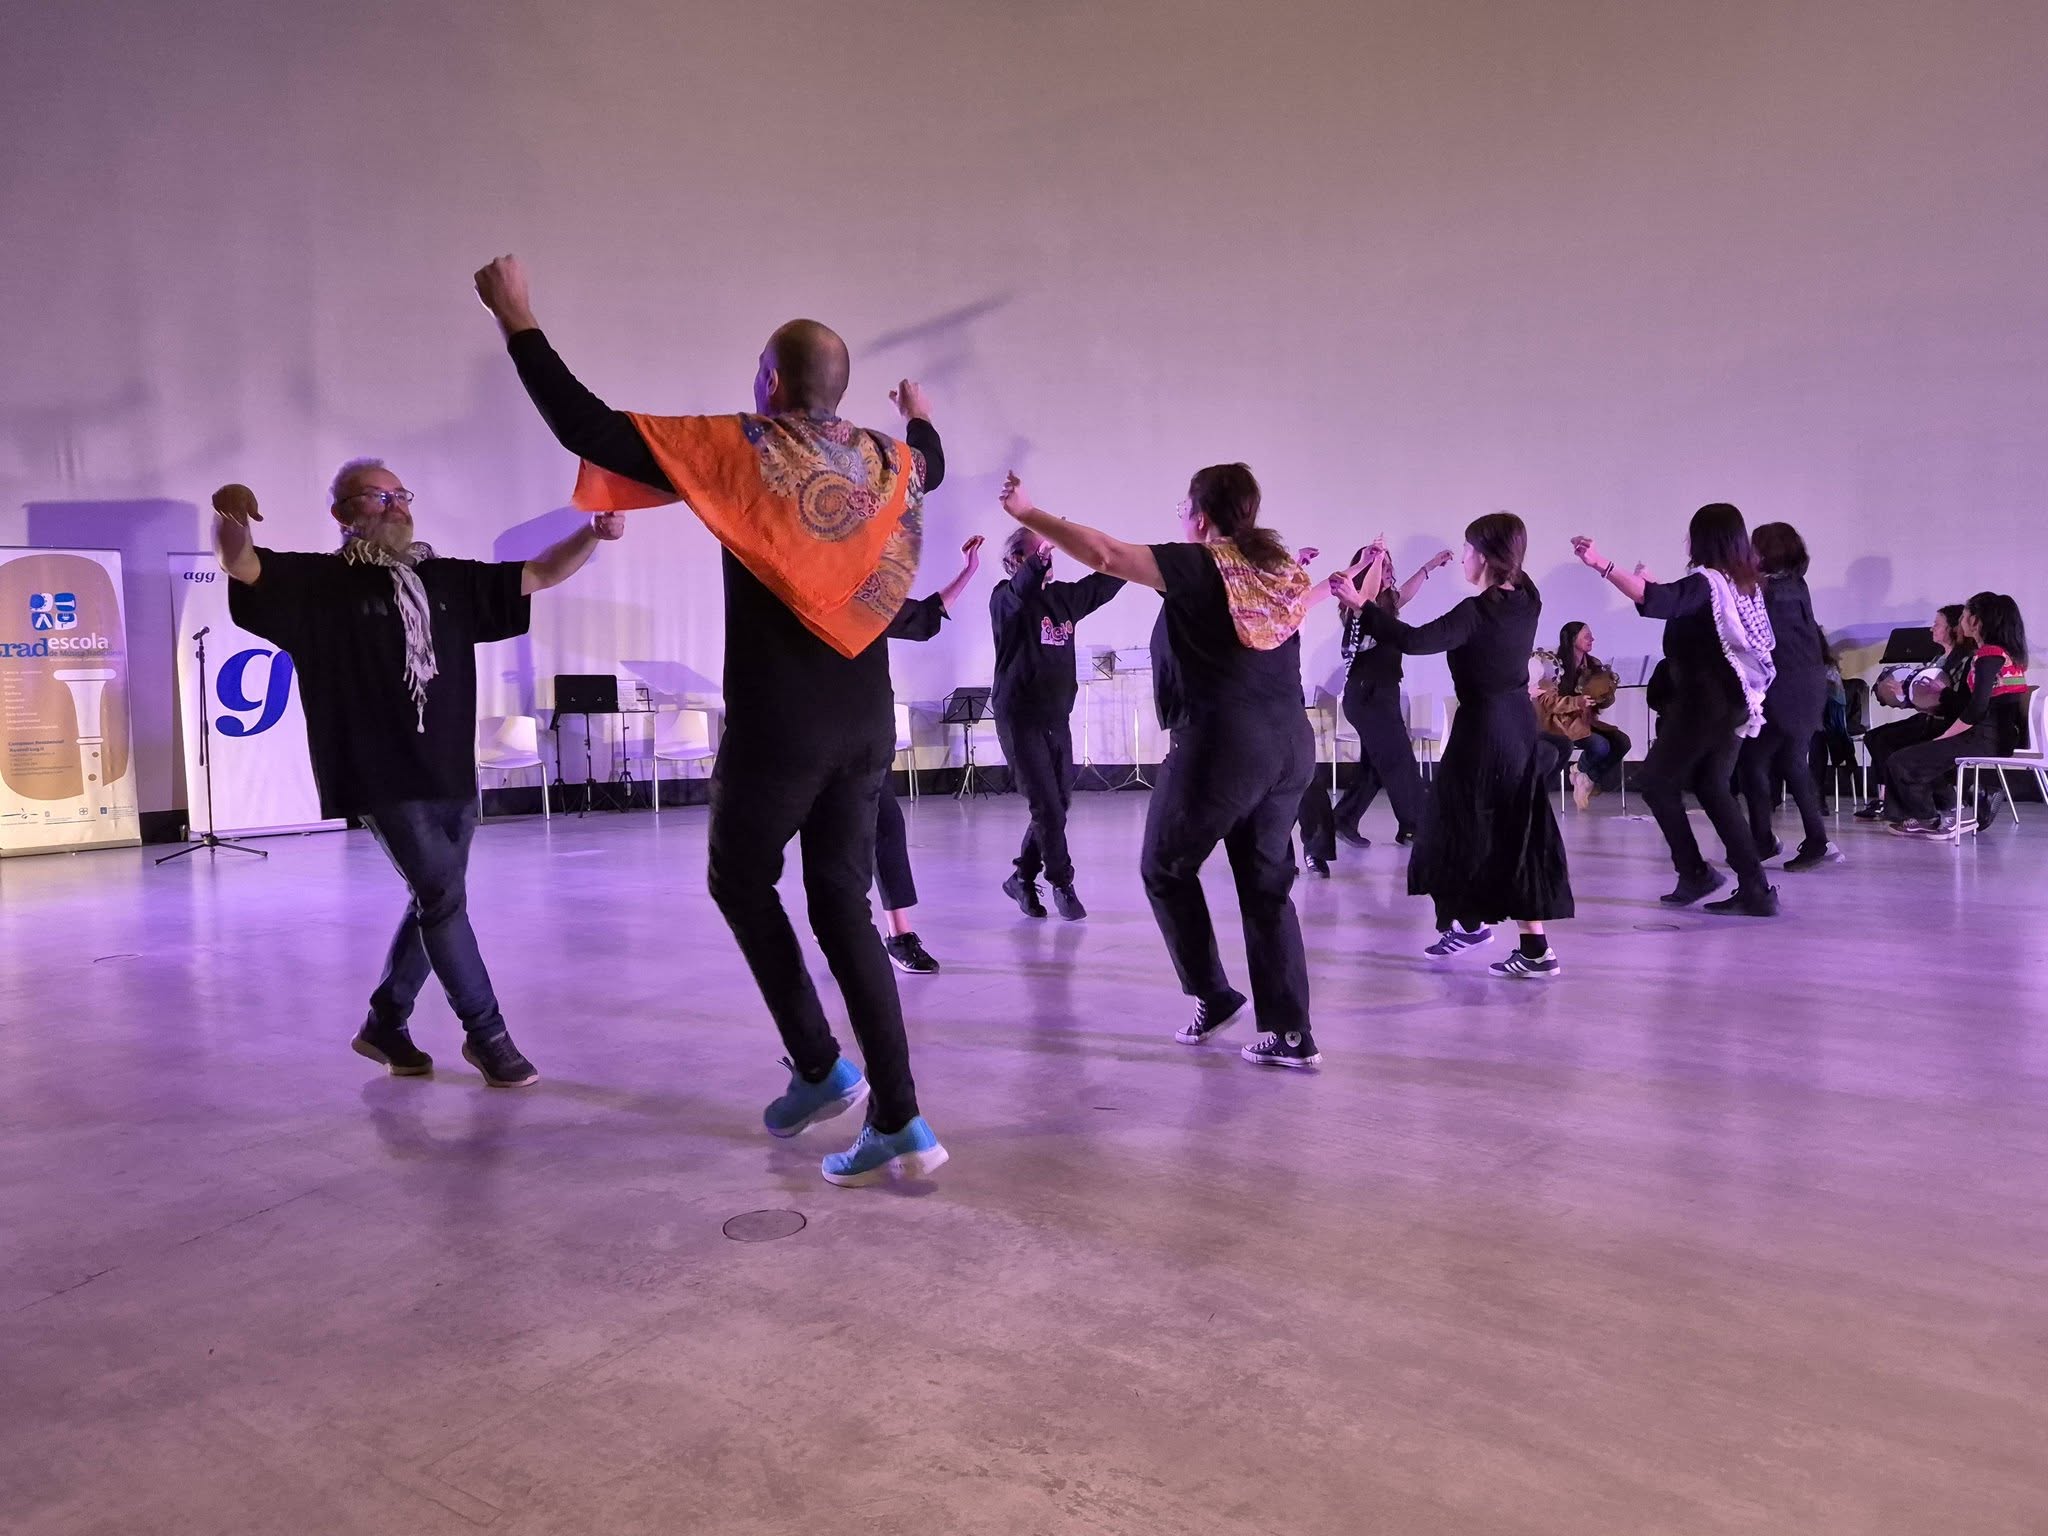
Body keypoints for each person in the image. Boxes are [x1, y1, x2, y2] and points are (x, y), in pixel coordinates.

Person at [475, 254, 947, 1187]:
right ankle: (902, 1121)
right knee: (844, 907)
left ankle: (818, 1066)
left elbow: (591, 428)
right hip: (864, 721)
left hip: (780, 725)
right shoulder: (891, 463)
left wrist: (517, 316)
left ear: (770, 383)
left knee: (740, 878)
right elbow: (939, 456)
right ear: (841, 389)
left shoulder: (749, 447)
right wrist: (919, 411)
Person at [209, 464, 622, 1087]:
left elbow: (538, 573)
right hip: (379, 773)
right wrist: (231, 518)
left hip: (450, 769)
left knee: (437, 900)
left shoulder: (446, 576)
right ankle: (488, 1037)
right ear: (345, 513)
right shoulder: (319, 584)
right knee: (442, 897)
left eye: (403, 494)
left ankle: (385, 1021)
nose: (398, 505)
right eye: (382, 496)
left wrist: (591, 534)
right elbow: (243, 566)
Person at [998, 465, 1327, 1066]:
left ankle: (1214, 993)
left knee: (1165, 868)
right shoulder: (1277, 572)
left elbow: (1104, 553)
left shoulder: (1201, 564)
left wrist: (1028, 514)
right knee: (1266, 886)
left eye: (1184, 507)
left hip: (1223, 745)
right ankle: (1291, 1032)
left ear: (1201, 517)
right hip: (1291, 747)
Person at [1353, 516, 1573, 977]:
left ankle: (1477, 927)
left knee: (1449, 827)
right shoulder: (1528, 601)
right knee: (1511, 829)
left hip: (1484, 732)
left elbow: (1412, 641)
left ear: (1488, 558)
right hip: (1517, 726)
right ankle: (1523, 943)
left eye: (1470, 550)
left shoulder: (1476, 613)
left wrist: (1362, 605)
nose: (1465, 558)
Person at [1572, 505, 1779, 917]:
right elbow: (1676, 606)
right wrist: (1656, 588)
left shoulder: (1709, 582)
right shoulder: (1742, 585)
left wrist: (1600, 563)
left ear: (1703, 539)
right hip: (1733, 703)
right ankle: (1755, 887)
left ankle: (1696, 872)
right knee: (1712, 787)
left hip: (1707, 705)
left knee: (1655, 783)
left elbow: (1655, 599)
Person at [989, 525, 1125, 920]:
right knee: (1046, 806)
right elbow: (1020, 591)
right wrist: (1039, 559)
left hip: (1056, 717)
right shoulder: (1004, 598)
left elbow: (1106, 581)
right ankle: (1062, 883)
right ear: (1017, 559)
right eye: (1037, 554)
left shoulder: (1064, 598)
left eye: (1049, 554)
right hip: (1019, 718)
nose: (1048, 560)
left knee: (1059, 804)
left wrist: (1120, 555)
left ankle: (1020, 879)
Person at [874, 536, 984, 973]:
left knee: (886, 830)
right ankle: (836, 924)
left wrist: (970, 570)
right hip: (813, 734)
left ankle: (899, 933)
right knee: (832, 841)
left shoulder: (866, 595)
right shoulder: (804, 588)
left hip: (868, 733)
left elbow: (923, 615)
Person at [1736, 523, 1841, 871]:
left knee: (1755, 762)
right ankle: (1810, 840)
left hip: (1785, 686)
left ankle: (1769, 840)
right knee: (1790, 762)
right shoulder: (1797, 584)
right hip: (1808, 683)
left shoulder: (1769, 592)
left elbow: (1756, 639)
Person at [1328, 544, 1449, 846]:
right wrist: (1375, 558)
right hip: (1368, 694)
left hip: (1382, 692)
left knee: (1376, 764)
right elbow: (1365, 597)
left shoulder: (1385, 606)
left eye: (1388, 564)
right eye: (1382, 565)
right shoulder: (1355, 604)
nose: (1389, 568)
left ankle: (1342, 819)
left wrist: (1429, 566)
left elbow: (1405, 593)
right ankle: (1415, 827)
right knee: (1398, 759)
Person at [1885, 591, 2030, 835]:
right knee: (1919, 754)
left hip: (1985, 738)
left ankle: (1931, 817)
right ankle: (1965, 804)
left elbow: (1976, 708)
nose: (1960, 621)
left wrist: (1947, 736)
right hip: (1994, 736)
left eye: (1964, 615)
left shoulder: (1990, 655)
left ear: (1976, 621)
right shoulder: (2002, 653)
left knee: (1900, 761)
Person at [1855, 604, 1974, 819]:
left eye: (1937, 625)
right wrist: (1903, 697)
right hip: (1930, 717)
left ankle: (1935, 799)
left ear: (1953, 628)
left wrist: (1913, 695)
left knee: (1889, 743)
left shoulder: (1964, 659)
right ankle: (1888, 797)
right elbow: (1927, 698)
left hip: (1945, 721)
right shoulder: (1939, 657)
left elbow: (1951, 701)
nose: (1932, 629)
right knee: (1874, 737)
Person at [1553, 622, 1631, 807]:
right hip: (1565, 724)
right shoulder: (1556, 666)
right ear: (1572, 639)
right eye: (1586, 636)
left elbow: (1601, 703)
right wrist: (1576, 701)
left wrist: (1607, 693)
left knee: (1623, 742)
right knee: (1601, 746)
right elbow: (1551, 703)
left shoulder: (1594, 664)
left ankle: (1584, 774)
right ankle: (1583, 774)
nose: (1592, 639)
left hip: (1587, 722)